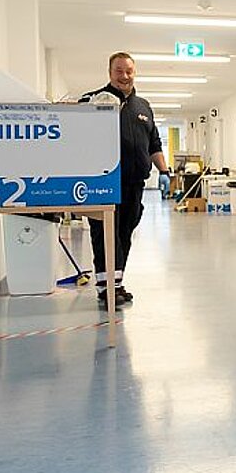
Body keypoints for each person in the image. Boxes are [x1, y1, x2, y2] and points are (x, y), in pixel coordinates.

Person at [79, 52, 169, 306]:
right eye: (119, 71)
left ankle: (116, 283)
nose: (124, 76)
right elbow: (77, 137)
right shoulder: (94, 100)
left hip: (134, 183)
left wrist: (164, 172)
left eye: (129, 71)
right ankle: (105, 288)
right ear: (110, 72)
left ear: (134, 72)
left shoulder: (143, 106)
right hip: (103, 183)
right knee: (104, 233)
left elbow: (154, 143)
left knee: (124, 233)